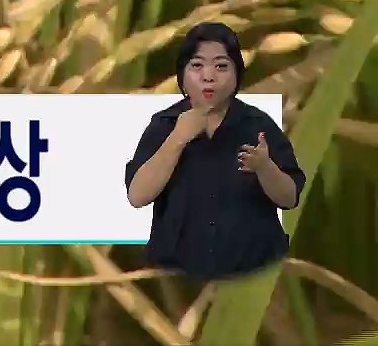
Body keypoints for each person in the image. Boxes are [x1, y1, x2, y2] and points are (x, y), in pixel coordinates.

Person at [124, 21, 305, 281]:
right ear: (182, 75)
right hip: (178, 275)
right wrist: (177, 139)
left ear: (237, 74)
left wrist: (265, 167)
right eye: (197, 66)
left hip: (253, 273)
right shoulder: (164, 124)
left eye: (221, 66)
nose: (208, 76)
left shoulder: (258, 125)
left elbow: (289, 198)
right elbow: (137, 196)